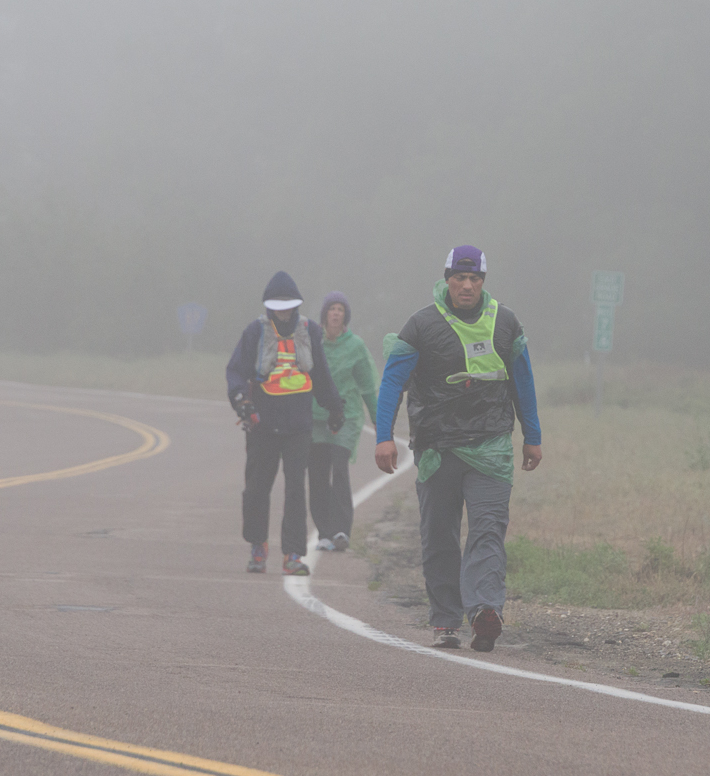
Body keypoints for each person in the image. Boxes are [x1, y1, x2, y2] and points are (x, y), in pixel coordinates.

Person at [373, 246, 542, 651]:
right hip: (438, 450)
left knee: (487, 532)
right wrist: (383, 436)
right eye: (459, 279)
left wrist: (532, 434)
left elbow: (523, 380)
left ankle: (485, 611)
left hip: (492, 448)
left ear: (484, 281)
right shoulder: (421, 325)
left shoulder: (505, 322)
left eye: (475, 279)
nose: (467, 286)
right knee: (439, 536)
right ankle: (446, 621)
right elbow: (393, 381)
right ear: (447, 278)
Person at [226, 271, 345, 575]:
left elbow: (320, 376)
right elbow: (236, 371)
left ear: (296, 305)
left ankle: (292, 555)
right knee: (255, 489)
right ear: (269, 305)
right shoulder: (255, 332)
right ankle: (257, 546)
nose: (283, 310)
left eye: (288, 304)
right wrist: (241, 400)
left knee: (295, 490)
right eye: (278, 305)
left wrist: (334, 409)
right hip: (261, 425)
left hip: (298, 426)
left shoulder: (309, 332)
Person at [308, 291, 378, 553]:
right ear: (324, 314)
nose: (336, 313)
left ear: (345, 315)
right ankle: (324, 533)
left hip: (346, 417)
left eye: (340, 309)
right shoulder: (314, 342)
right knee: (316, 474)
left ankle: (340, 531)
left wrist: (378, 420)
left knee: (339, 468)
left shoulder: (355, 346)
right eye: (331, 309)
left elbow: (368, 386)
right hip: (315, 417)